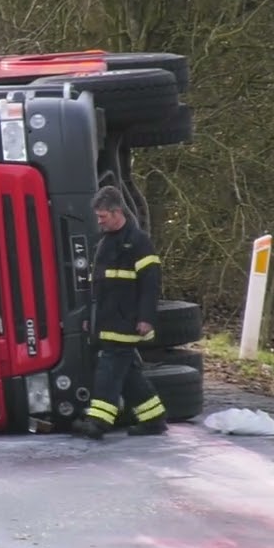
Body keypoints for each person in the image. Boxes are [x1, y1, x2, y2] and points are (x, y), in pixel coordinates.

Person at [73, 185, 168, 440]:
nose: (99, 221)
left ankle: (99, 421)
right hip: (106, 320)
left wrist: (146, 318)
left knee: (109, 370)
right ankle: (153, 418)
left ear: (116, 213)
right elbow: (97, 288)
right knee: (128, 375)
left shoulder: (138, 242)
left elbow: (151, 283)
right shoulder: (105, 243)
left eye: (102, 216)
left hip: (126, 322)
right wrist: (88, 321)